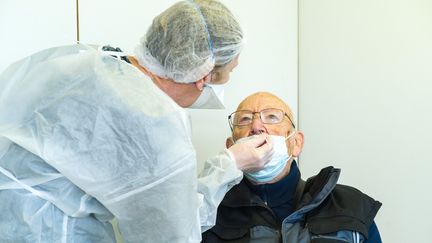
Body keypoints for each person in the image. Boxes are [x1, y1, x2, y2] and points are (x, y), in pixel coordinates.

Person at [0, 1, 273, 242]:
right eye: (229, 72)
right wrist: (229, 164)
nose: (257, 126)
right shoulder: (152, 119)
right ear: (203, 75)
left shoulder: (85, 60)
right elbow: (171, 233)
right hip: (45, 231)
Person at [201, 92, 382, 243]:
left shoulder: (350, 207)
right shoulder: (206, 212)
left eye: (271, 116)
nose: (256, 127)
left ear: (296, 143)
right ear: (231, 147)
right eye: (245, 119)